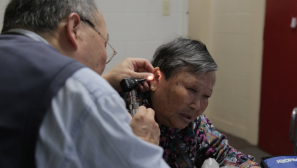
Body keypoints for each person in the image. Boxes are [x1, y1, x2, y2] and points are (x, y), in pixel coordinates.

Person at [0, 0, 170, 168]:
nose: (105, 56)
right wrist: (142, 144)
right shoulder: (84, 89)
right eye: (105, 43)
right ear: (74, 28)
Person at [122, 37, 260, 168]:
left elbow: (225, 153)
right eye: (192, 90)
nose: (197, 106)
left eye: (206, 96)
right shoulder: (121, 114)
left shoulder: (194, 123)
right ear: (157, 78)